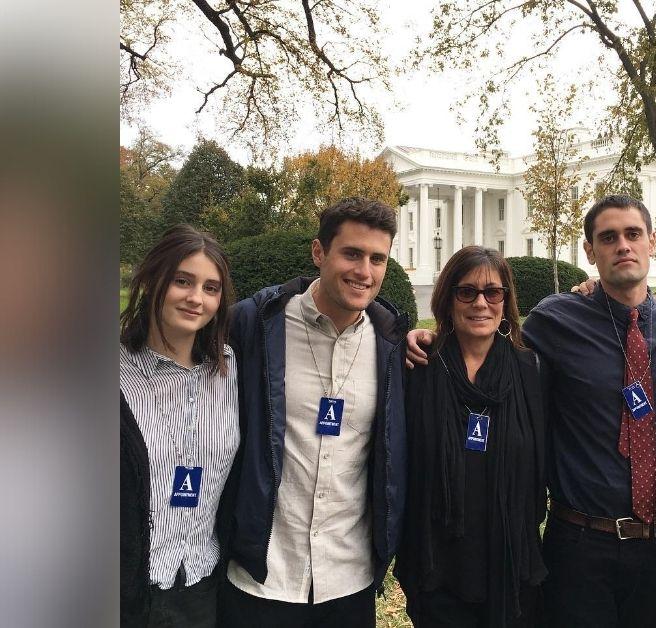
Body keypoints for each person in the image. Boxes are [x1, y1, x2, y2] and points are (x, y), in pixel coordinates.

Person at [408, 195, 656, 627]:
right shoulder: (555, 320)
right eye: (608, 237)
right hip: (582, 542)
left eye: (633, 234)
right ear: (589, 251)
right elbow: (487, 343)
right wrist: (428, 338)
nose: (623, 246)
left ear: (653, 242)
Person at [217, 197, 408, 628]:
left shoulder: (391, 343)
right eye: (352, 254)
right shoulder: (254, 325)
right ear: (319, 252)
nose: (365, 271)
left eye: (377, 259)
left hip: (348, 581)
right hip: (261, 575)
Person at [394, 246, 547, 627]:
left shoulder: (530, 370)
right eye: (467, 292)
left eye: (493, 292)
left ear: (505, 300)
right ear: (448, 298)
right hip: (438, 569)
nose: (481, 303)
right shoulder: (418, 367)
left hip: (511, 561)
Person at [120, 224, 241, 627]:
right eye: (182, 281)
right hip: (129, 588)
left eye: (211, 288)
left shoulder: (229, 369)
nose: (196, 298)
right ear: (153, 279)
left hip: (202, 582)